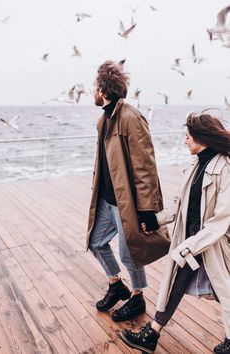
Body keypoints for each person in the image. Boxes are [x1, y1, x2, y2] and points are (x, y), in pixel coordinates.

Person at [120, 112, 230, 353]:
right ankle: (152, 334)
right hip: (191, 241)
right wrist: (155, 220)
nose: (185, 141)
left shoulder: (225, 168)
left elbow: (221, 220)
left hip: (211, 244)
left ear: (202, 138)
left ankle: (152, 334)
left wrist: (188, 247)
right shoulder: (196, 164)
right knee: (176, 286)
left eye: (188, 137)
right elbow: (181, 204)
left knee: (225, 292)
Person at [86, 60, 167, 322]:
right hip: (107, 200)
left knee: (129, 251)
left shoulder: (131, 118)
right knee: (96, 242)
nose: (93, 92)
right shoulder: (104, 120)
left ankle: (137, 297)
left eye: (94, 87)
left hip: (127, 203)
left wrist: (146, 210)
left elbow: (146, 168)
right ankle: (115, 284)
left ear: (103, 90)